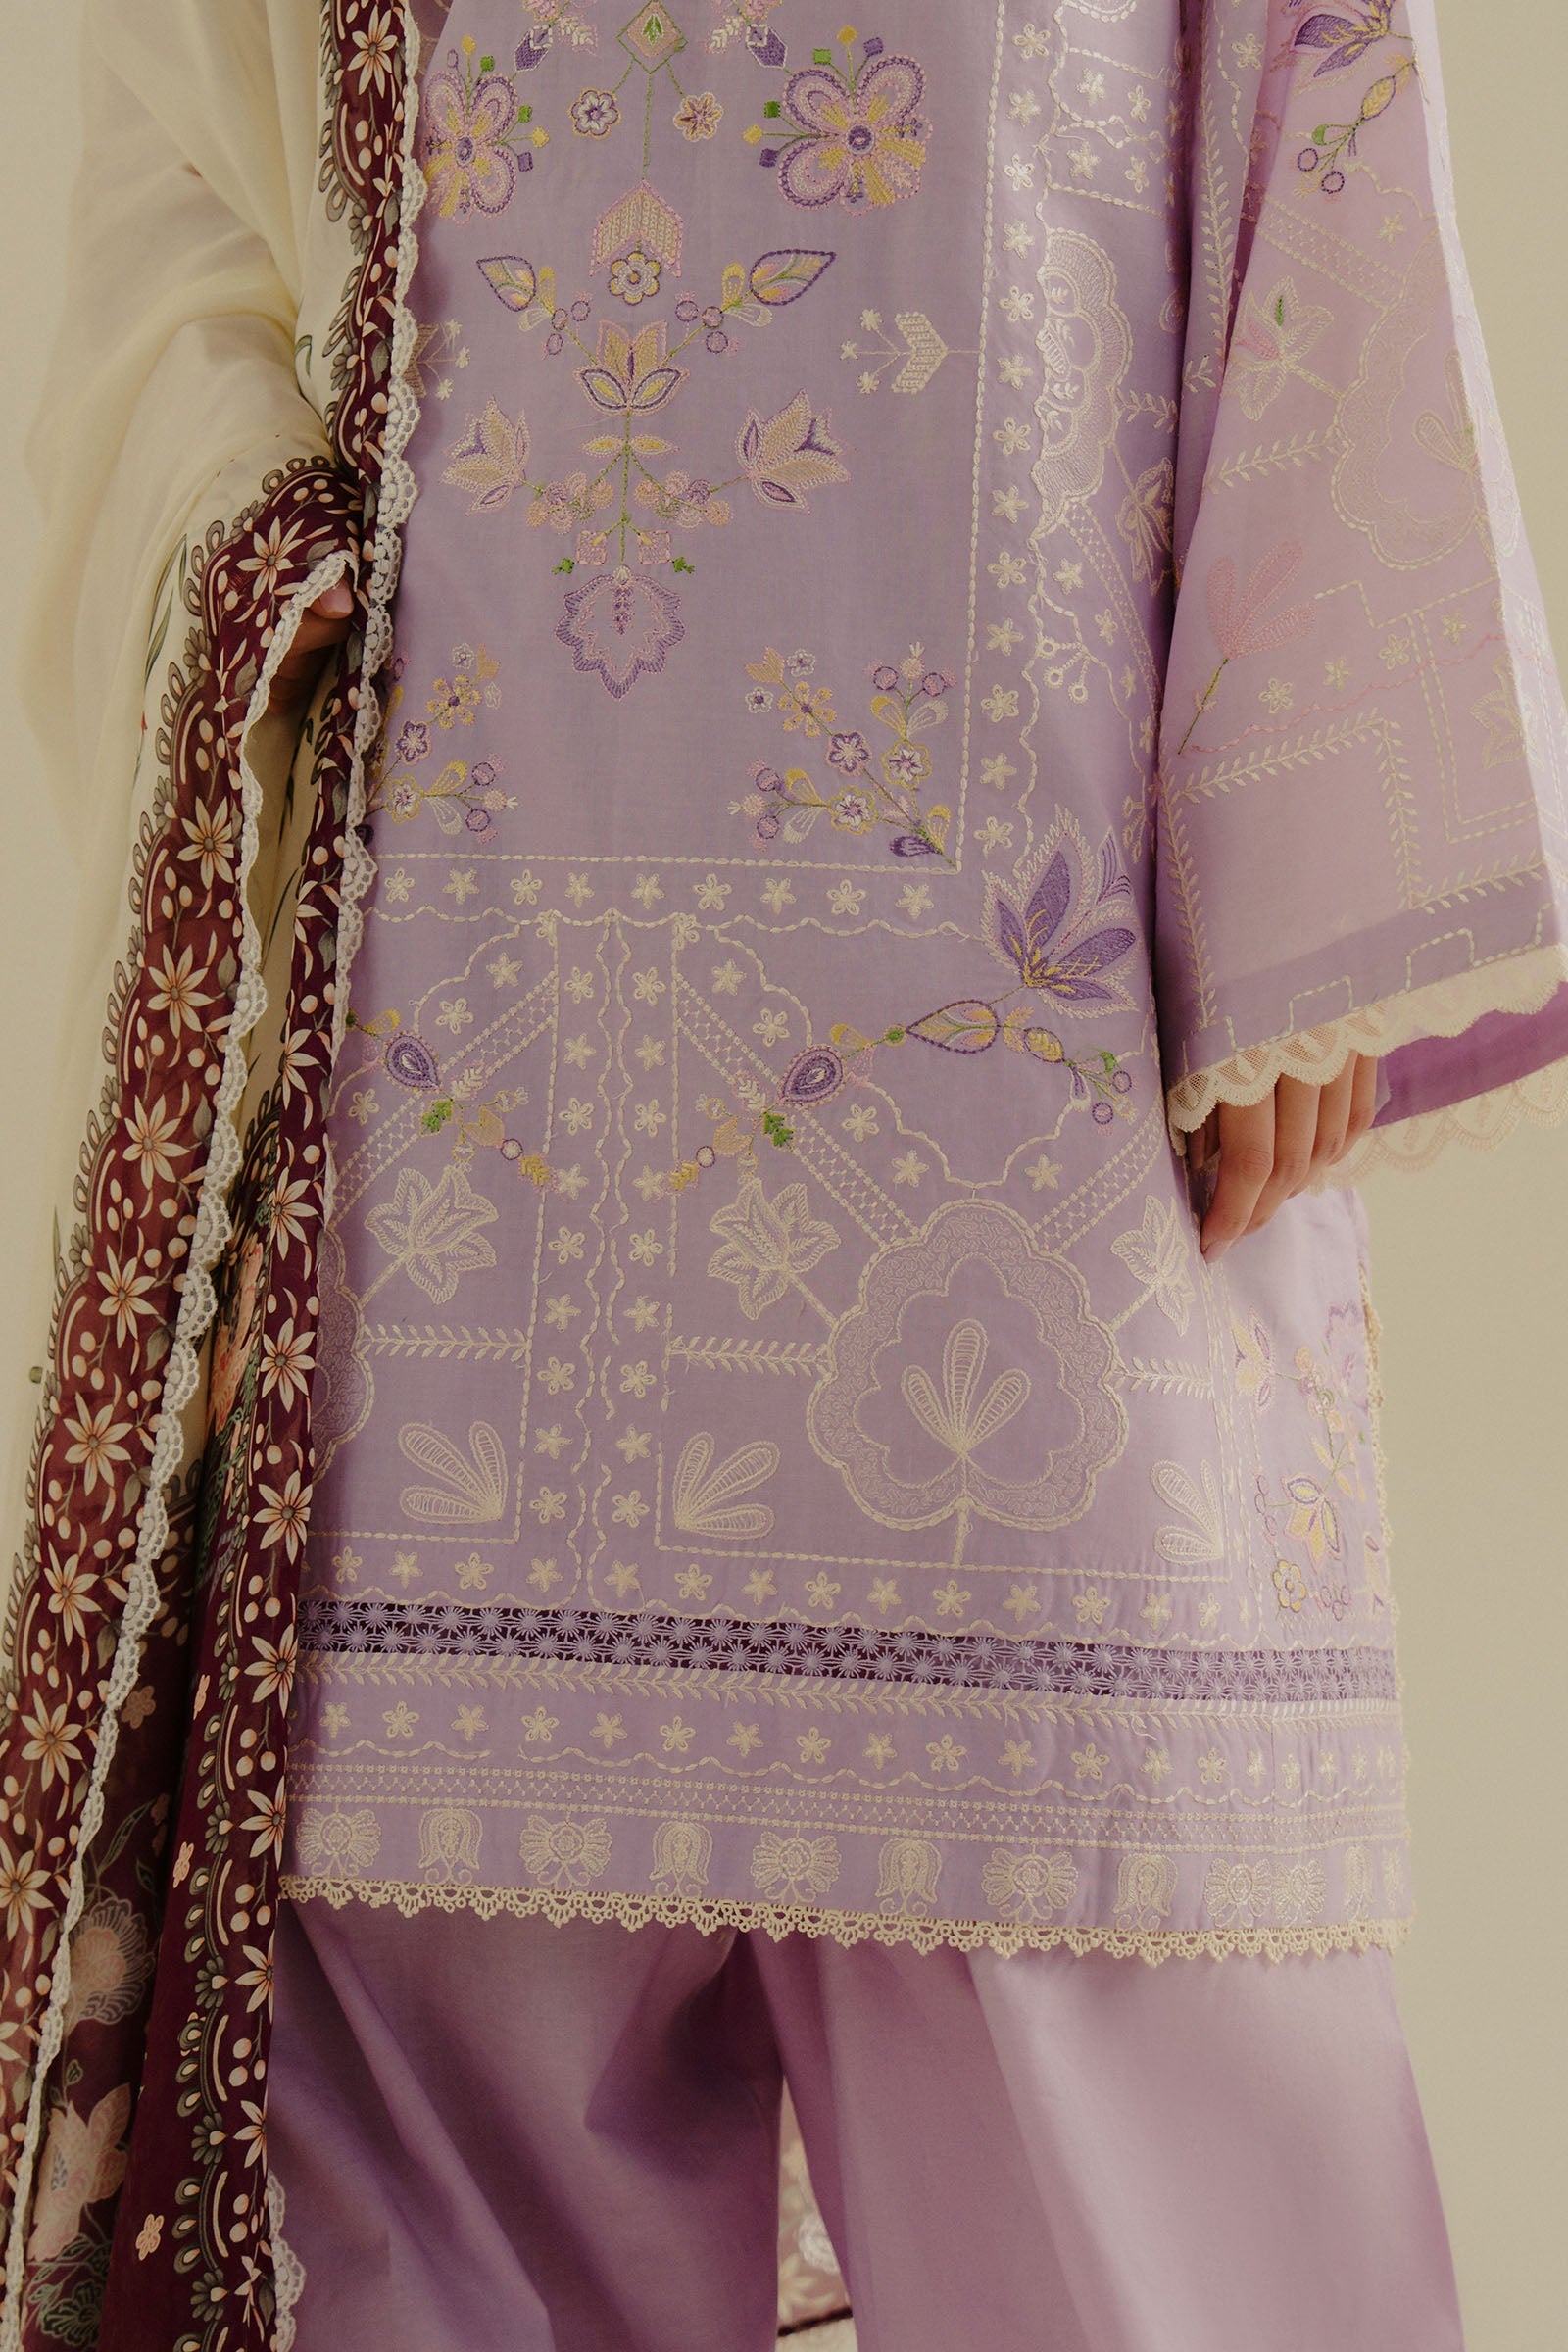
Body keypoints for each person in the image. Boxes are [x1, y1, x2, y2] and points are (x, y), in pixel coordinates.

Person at [4, 2, 1567, 2345]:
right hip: (440, 1162)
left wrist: (1303, 849)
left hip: (1031, 1127)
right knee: (409, 2200)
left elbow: (1316, 67)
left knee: (1152, 2198)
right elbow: (188, 193)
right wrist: (258, 602)